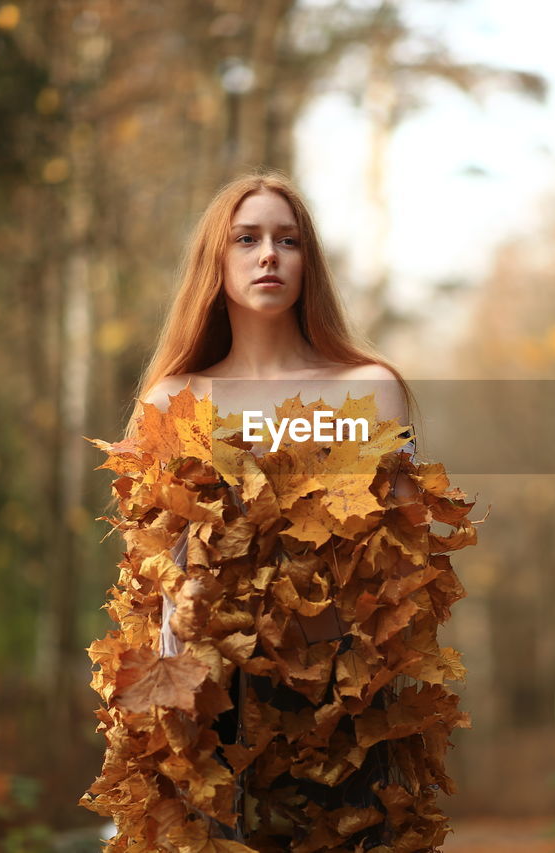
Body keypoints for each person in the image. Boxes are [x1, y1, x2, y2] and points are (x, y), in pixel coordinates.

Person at [126, 168, 422, 846]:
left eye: (288, 240)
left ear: (307, 263)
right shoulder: (173, 398)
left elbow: (407, 560)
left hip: (336, 699)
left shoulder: (369, 390)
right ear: (216, 261)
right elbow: (148, 575)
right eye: (247, 239)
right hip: (212, 703)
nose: (269, 255)